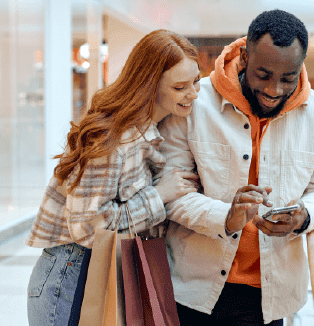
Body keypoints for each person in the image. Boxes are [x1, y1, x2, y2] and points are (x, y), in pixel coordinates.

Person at [157, 9, 314, 325]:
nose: (274, 90)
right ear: (244, 58)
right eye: (263, 75)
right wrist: (225, 216)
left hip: (271, 297)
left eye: (288, 78)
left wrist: (303, 216)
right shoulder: (194, 105)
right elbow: (172, 193)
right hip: (194, 291)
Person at [24, 29, 201, 326]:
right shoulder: (112, 139)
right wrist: (159, 195)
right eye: (180, 87)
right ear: (150, 85)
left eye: (196, 81)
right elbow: (87, 228)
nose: (193, 94)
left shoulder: (155, 130)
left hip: (105, 269)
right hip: (75, 273)